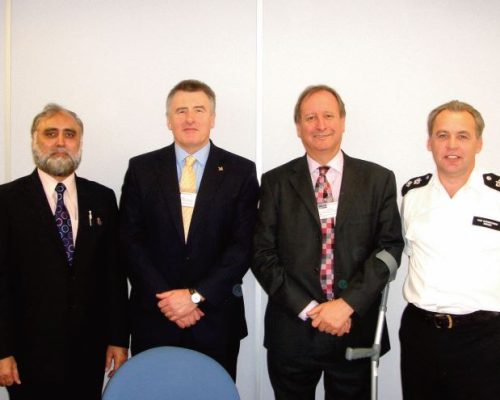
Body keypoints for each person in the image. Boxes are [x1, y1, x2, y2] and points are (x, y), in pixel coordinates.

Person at [252, 84, 404, 400]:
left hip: (354, 329)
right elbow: (262, 254)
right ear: (298, 127)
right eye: (310, 117)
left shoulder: (378, 180)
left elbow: (389, 248)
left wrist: (346, 305)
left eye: (328, 115)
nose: (320, 125)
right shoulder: (275, 182)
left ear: (343, 121)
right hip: (292, 333)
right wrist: (310, 309)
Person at [119, 79, 259, 380]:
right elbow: (130, 240)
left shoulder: (240, 171)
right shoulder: (142, 169)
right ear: (169, 120)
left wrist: (195, 297)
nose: (190, 118)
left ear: (213, 118)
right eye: (181, 111)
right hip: (156, 317)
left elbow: (243, 245)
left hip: (216, 319)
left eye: (199, 110)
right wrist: (170, 301)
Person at [0, 104, 129, 400]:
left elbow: (113, 274)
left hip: (89, 349)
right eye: (50, 133)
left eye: (69, 134)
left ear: (80, 143)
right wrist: (2, 350)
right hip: (27, 353)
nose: (60, 142)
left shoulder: (103, 197)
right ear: (34, 141)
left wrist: (118, 339)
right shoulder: (6, 201)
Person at [399, 100, 500, 399]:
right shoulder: (412, 195)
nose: (451, 145)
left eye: (463, 136)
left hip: (484, 338)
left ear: (479, 143)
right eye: (442, 135)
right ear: (429, 142)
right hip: (422, 334)